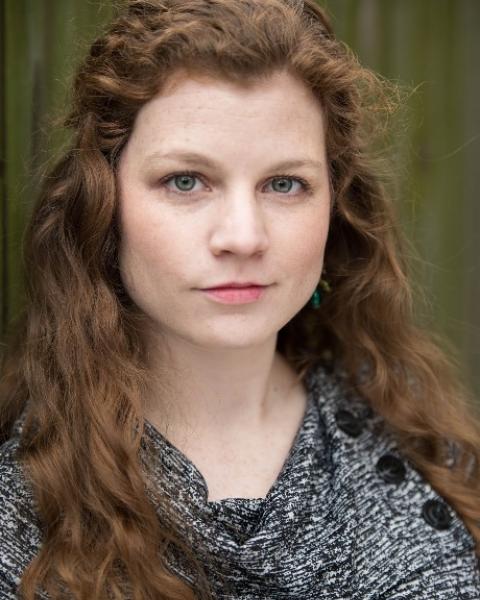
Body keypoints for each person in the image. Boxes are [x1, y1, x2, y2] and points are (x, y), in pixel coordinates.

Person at [0, 0, 479, 598]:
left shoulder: (424, 452)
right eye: (185, 181)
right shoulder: (21, 514)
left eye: (285, 184)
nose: (244, 238)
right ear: (102, 202)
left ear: (335, 205)